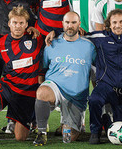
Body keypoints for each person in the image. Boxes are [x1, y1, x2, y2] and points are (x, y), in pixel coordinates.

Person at [0, 6, 45, 146]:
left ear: (27, 24)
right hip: (8, 86)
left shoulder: (36, 38)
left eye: (21, 23)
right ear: (9, 24)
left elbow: (52, 39)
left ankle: (31, 121)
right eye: (15, 22)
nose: (18, 26)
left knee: (20, 137)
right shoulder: (0, 43)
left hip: (27, 92)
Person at [33, 12, 96, 145]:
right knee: (42, 92)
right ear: (62, 24)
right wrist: (40, 90)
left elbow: (96, 71)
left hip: (76, 95)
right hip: (55, 86)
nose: (70, 26)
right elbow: (42, 70)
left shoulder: (89, 46)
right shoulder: (51, 43)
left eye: (73, 23)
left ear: (79, 24)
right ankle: (41, 133)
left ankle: (73, 121)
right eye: (67, 23)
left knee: (68, 139)